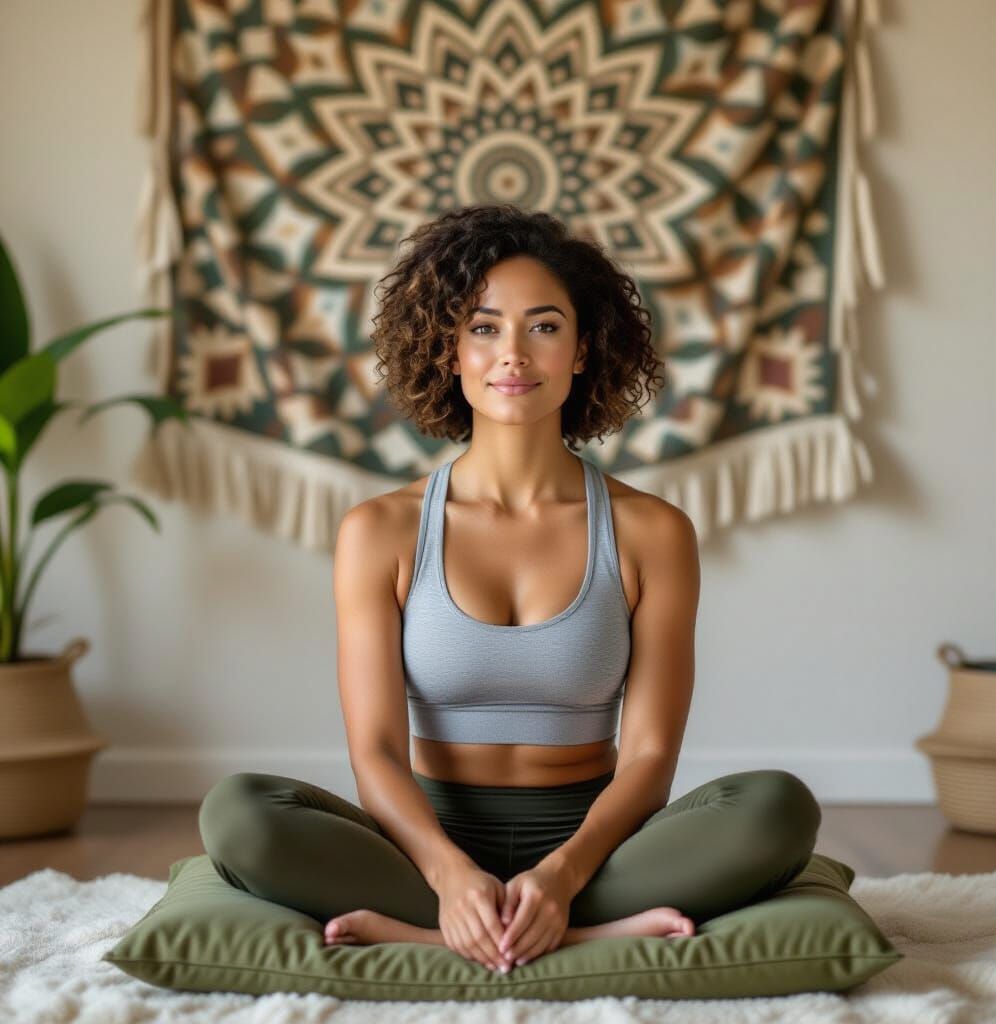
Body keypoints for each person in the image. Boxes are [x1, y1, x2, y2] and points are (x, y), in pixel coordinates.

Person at [198, 204, 822, 977]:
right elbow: (378, 751)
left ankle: (477, 928)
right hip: (426, 847)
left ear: (584, 349)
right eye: (484, 327)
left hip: (598, 849)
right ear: (449, 348)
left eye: (545, 326)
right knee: (240, 814)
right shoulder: (380, 531)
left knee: (776, 807)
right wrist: (449, 875)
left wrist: (563, 873)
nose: (513, 355)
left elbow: (650, 754)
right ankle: (570, 932)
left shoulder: (653, 532)